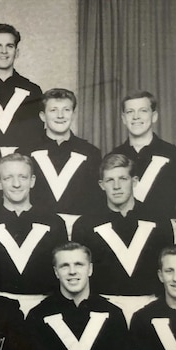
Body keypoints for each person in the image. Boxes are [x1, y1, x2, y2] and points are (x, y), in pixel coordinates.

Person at [72, 153, 175, 325]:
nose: (117, 186)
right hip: (103, 308)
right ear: (101, 185)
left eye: (123, 179)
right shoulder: (85, 224)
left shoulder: (159, 221)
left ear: (134, 181)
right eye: (110, 180)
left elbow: (169, 268)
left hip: (149, 305)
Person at [0, 153, 67, 314]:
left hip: (44, 306)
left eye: (23, 177)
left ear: (32, 181)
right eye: (8, 178)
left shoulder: (54, 222)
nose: (16, 184)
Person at [111, 90, 176, 238]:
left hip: (161, 240)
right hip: (121, 239)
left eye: (143, 111)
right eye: (130, 112)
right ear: (123, 118)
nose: (136, 116)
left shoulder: (175, 156)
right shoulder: (113, 156)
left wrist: (174, 235)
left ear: (154, 116)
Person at [23, 88, 103, 238]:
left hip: (79, 232)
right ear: (42, 116)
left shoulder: (91, 153)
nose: (60, 115)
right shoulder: (26, 151)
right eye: (53, 110)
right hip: (36, 231)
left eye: (66, 110)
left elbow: (96, 200)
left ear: (73, 114)